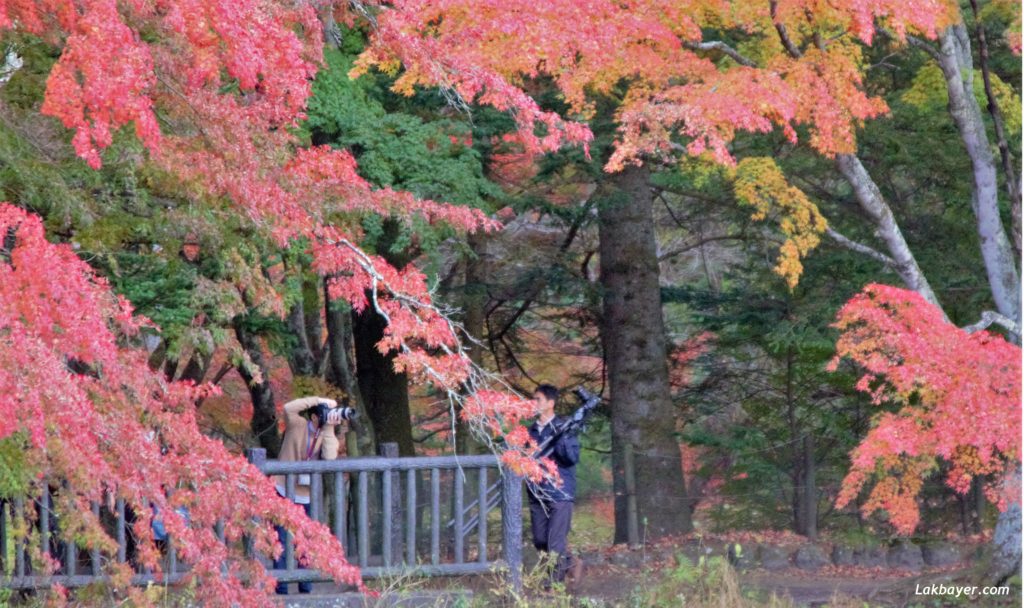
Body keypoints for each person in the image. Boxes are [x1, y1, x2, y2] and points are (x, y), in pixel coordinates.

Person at [272, 396, 347, 595]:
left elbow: (330, 457)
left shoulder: (326, 433)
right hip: (283, 488)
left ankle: (305, 585)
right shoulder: (298, 425)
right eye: (323, 414)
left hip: (305, 494)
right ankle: (281, 586)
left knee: (305, 541)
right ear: (314, 416)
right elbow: (288, 408)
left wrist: (329, 427)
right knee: (281, 538)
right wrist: (320, 399)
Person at [526, 384, 583, 588]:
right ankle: (572, 562)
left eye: (538, 400)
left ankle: (553, 585)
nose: (534, 403)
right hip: (536, 492)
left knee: (555, 542)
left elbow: (571, 457)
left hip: (560, 492)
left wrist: (561, 437)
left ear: (551, 403)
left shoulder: (565, 427)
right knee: (541, 540)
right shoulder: (530, 431)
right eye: (533, 399)